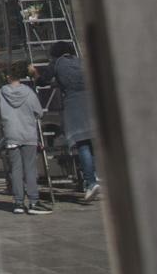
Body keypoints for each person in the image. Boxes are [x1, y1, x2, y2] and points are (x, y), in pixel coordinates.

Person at [47, 41, 99, 201]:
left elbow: (43, 80)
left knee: (82, 144)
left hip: (74, 106)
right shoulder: (80, 61)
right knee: (92, 143)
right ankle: (95, 176)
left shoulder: (57, 64)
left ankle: (91, 182)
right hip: (90, 102)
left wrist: (35, 75)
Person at [0, 64, 47, 215]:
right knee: (30, 168)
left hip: (11, 134)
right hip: (28, 134)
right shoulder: (29, 92)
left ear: (7, 77)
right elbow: (39, 112)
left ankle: (18, 203)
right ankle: (33, 202)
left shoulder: (1, 93)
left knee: (16, 169)